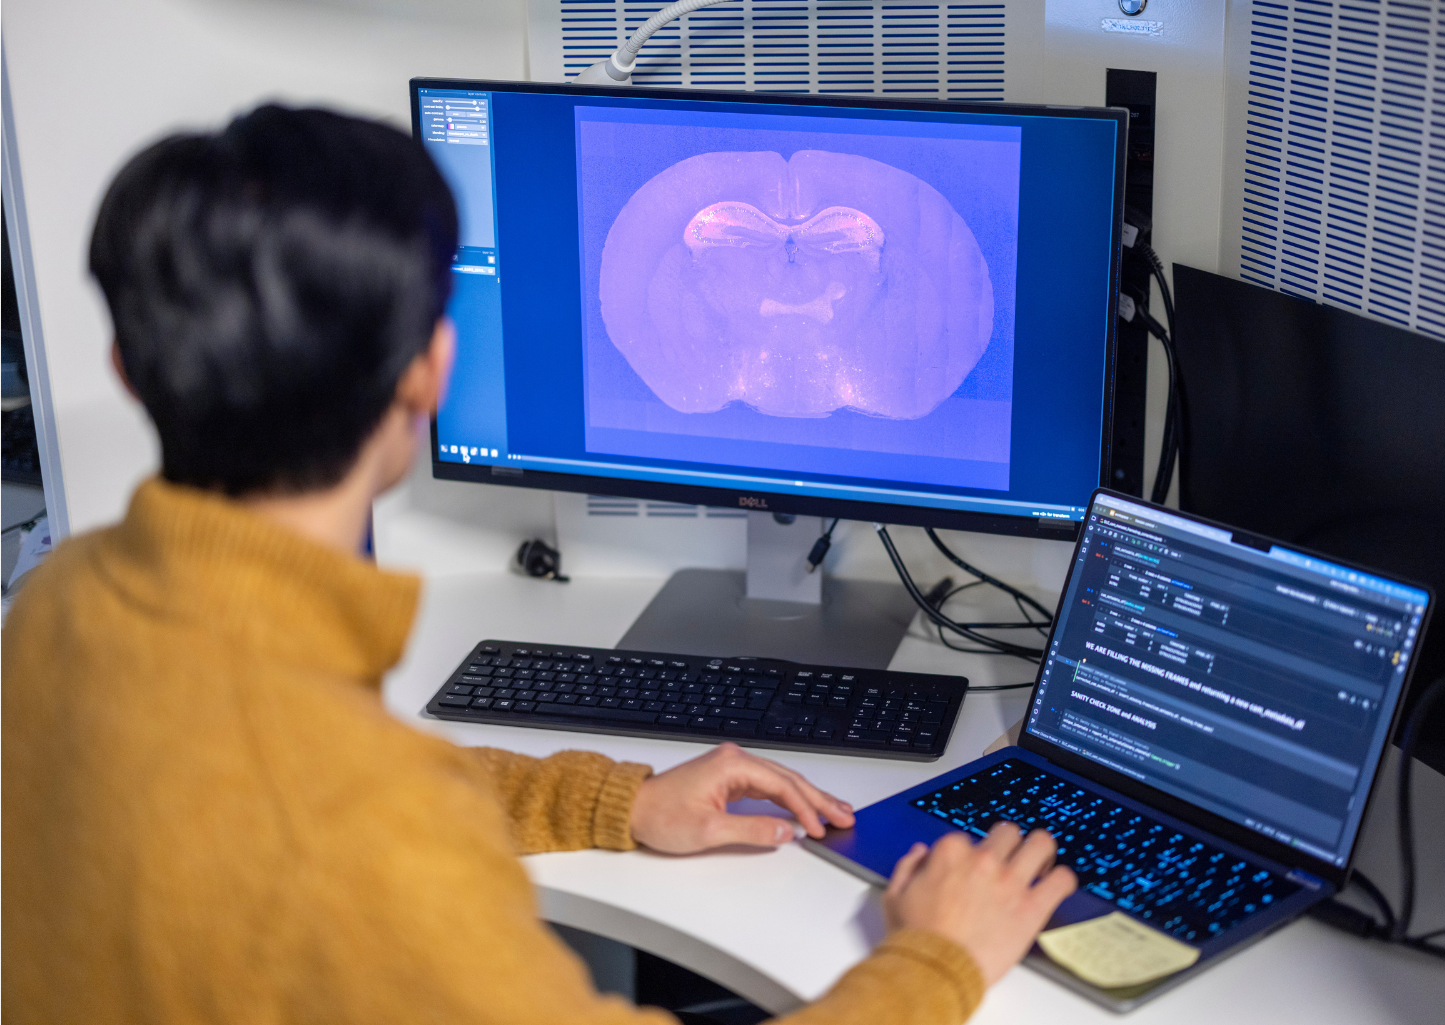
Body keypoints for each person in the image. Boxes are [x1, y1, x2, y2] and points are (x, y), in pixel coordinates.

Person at [1, 105, 1076, 1024]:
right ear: (432, 364)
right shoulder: (368, 836)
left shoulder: (65, 599)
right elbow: (343, 805)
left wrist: (613, 800)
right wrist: (940, 955)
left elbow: (278, 784)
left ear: (127, 369)